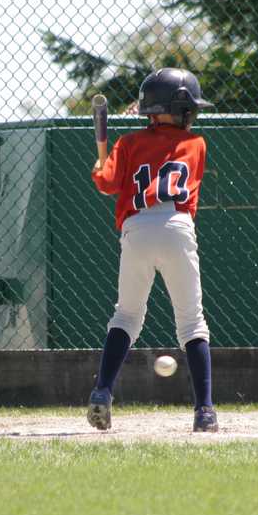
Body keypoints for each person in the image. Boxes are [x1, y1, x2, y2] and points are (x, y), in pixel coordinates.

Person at [87, 68, 219, 433]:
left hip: (137, 228)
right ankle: (205, 411)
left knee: (126, 316)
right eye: (188, 108)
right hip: (177, 225)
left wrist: (101, 164)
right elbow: (168, 154)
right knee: (191, 322)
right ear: (179, 110)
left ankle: (102, 390)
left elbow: (107, 184)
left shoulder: (128, 143)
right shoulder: (197, 144)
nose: (192, 114)